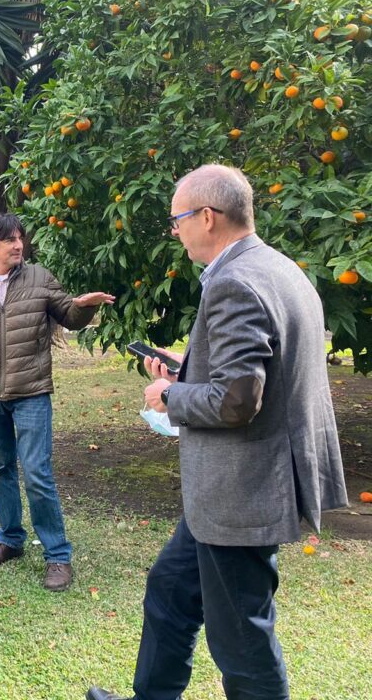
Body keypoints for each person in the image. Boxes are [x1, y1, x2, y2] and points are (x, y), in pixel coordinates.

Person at [87, 165, 348, 700]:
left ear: (207, 217)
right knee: (170, 590)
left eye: (178, 219)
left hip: (241, 492)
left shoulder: (233, 282)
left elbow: (236, 402)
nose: (176, 231)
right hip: (231, 493)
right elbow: (259, 375)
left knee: (241, 641)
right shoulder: (280, 268)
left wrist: (169, 395)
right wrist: (191, 369)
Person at [0, 213, 114, 592]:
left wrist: (84, 306)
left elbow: (68, 316)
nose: (18, 244)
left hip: (32, 391)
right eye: (9, 240)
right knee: (1, 467)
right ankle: (11, 540)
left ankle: (57, 556)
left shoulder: (39, 277)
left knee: (36, 471)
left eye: (20, 238)